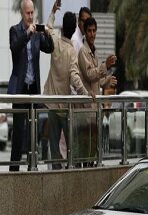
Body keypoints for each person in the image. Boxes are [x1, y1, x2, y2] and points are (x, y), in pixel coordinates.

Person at [43, 1, 91, 170]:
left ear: (62, 27)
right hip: (64, 106)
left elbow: (47, 27)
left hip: (51, 103)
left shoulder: (55, 41)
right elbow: (75, 78)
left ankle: (56, 169)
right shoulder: (72, 52)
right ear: (73, 30)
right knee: (71, 141)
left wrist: (53, 12)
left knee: (54, 143)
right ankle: (71, 169)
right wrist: (86, 94)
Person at [8, 0, 54, 171]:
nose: (30, 16)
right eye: (27, 13)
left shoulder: (37, 34)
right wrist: (27, 33)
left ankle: (31, 169)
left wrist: (47, 34)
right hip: (20, 90)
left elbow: (49, 49)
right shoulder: (15, 30)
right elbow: (15, 47)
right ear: (22, 13)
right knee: (19, 134)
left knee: (32, 134)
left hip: (32, 90)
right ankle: (13, 170)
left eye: (32, 13)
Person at [78, 17, 117, 165]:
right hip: (87, 109)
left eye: (94, 31)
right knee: (87, 145)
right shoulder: (83, 51)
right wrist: (105, 66)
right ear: (85, 33)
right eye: (89, 31)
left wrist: (108, 80)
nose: (92, 34)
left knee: (94, 146)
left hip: (96, 108)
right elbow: (89, 75)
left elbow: (97, 81)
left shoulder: (95, 52)